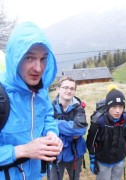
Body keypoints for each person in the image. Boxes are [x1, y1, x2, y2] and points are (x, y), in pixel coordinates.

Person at [0, 22, 63, 179]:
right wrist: (22, 151)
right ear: (15, 58)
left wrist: (51, 134)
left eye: (43, 59)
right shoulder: (2, 95)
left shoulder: (40, 91)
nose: (39, 68)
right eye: (29, 57)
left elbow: (47, 116)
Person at [86, 86, 126, 180]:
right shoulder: (99, 121)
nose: (118, 111)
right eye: (114, 107)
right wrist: (92, 159)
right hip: (103, 161)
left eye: (121, 107)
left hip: (120, 158)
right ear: (108, 107)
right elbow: (91, 142)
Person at [50, 76, 88, 180]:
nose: (69, 91)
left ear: (75, 91)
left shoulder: (79, 109)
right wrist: (71, 133)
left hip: (75, 152)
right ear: (58, 89)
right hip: (54, 153)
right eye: (65, 87)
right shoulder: (49, 107)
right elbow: (44, 128)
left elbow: (81, 129)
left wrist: (55, 124)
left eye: (72, 88)